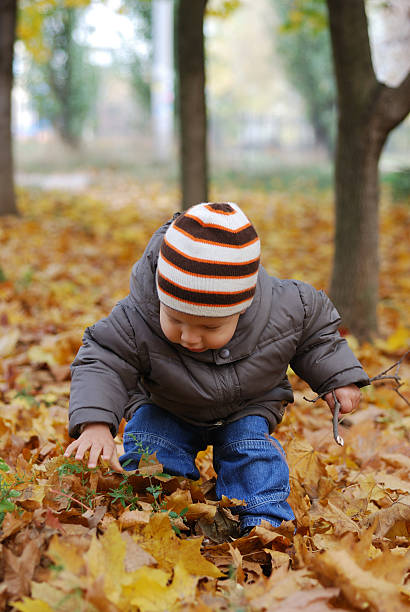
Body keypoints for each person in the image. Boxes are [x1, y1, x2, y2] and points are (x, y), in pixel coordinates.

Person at [65, 202, 369, 533]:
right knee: (150, 448)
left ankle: (264, 527)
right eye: (175, 319)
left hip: (247, 405)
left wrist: (338, 378)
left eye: (209, 328)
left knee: (252, 457)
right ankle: (153, 514)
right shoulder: (138, 316)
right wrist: (95, 422)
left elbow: (317, 335)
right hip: (167, 403)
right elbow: (104, 356)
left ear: (242, 308)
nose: (189, 337)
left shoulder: (286, 307)